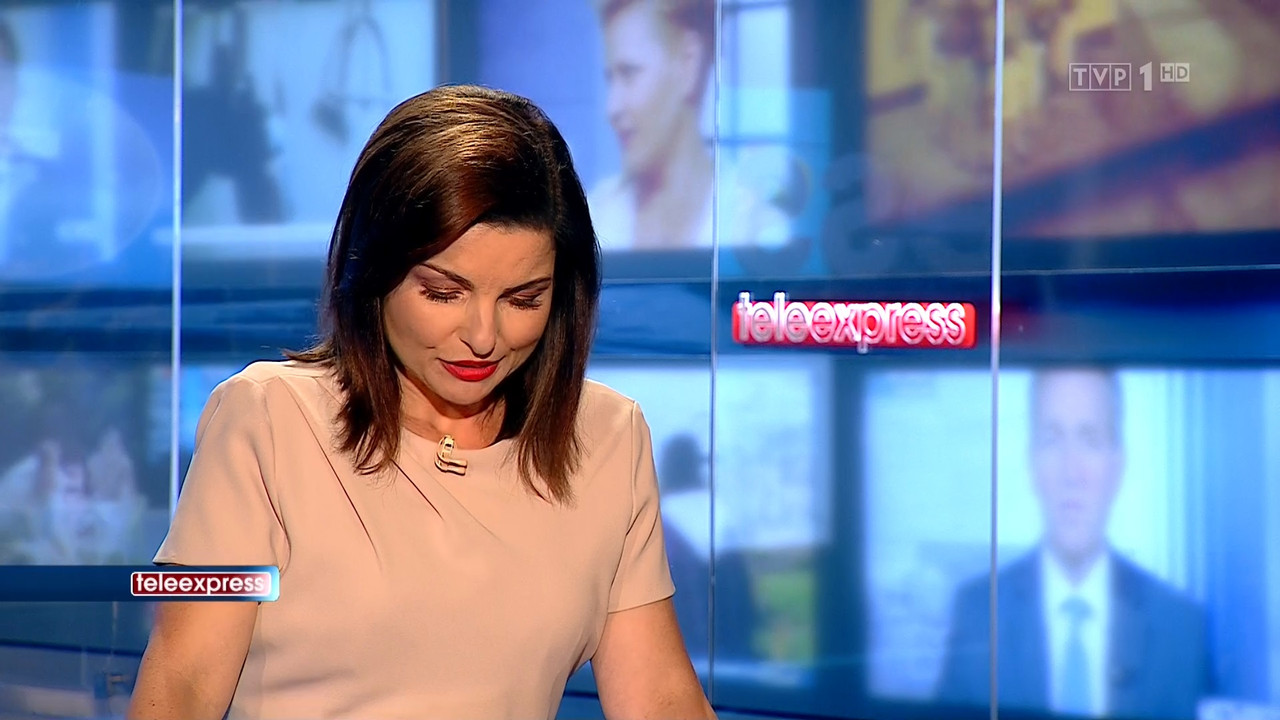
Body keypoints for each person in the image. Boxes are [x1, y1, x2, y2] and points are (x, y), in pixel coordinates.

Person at [127, 85, 717, 720]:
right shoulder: (266, 419)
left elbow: (659, 698)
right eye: (442, 293)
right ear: (373, 273)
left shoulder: (607, 436)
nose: (484, 336)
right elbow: (183, 684)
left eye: (523, 299)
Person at [936, 367, 1210, 718]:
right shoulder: (977, 614)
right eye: (1052, 439)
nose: (1072, 472)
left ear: (1117, 465)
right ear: (1032, 462)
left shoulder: (1181, 629)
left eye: (1090, 440)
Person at [588, 0, 789, 252]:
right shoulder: (593, 220)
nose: (612, 108)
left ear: (688, 62)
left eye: (629, 73)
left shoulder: (755, 228)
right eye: (610, 79)